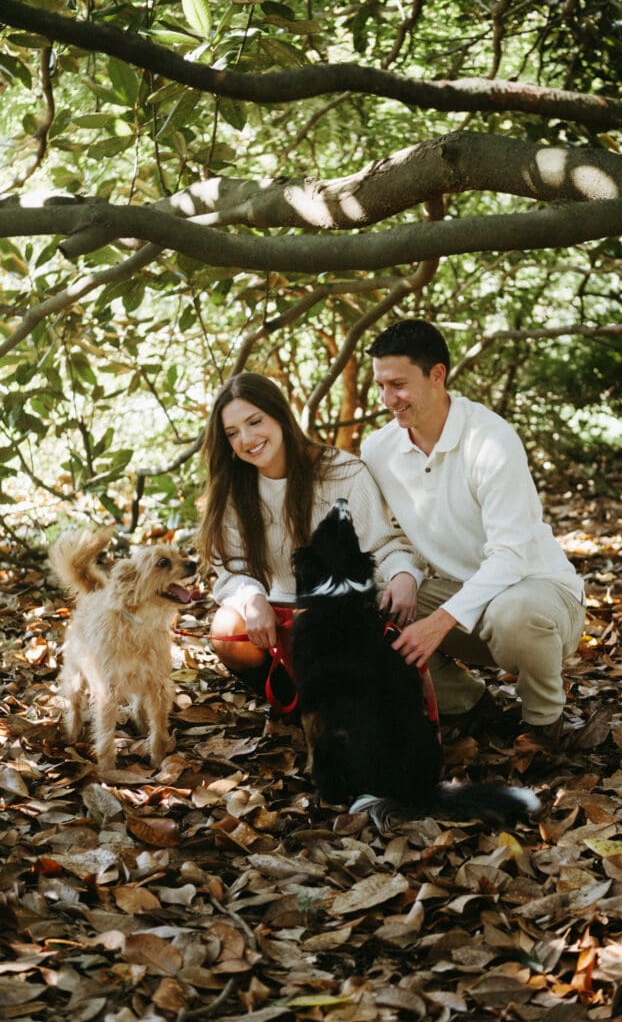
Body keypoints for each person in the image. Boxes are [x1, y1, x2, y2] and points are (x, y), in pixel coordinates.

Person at [361, 319, 585, 744]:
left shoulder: (491, 440)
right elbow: (391, 537)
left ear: (437, 375)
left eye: (398, 385)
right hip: (461, 600)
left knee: (513, 612)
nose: (388, 400)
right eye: (380, 386)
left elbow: (511, 557)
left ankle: (543, 723)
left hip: (539, 598)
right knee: (370, 602)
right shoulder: (378, 449)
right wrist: (404, 574)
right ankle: (468, 704)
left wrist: (439, 622)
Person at [196, 372, 422, 698]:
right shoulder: (232, 490)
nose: (246, 439)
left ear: (279, 415)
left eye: (255, 421)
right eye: (232, 433)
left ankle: (337, 707)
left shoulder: (341, 471)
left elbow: (384, 543)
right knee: (226, 630)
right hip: (275, 619)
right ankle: (293, 706)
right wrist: (251, 600)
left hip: (340, 617)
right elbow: (233, 570)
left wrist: (403, 574)